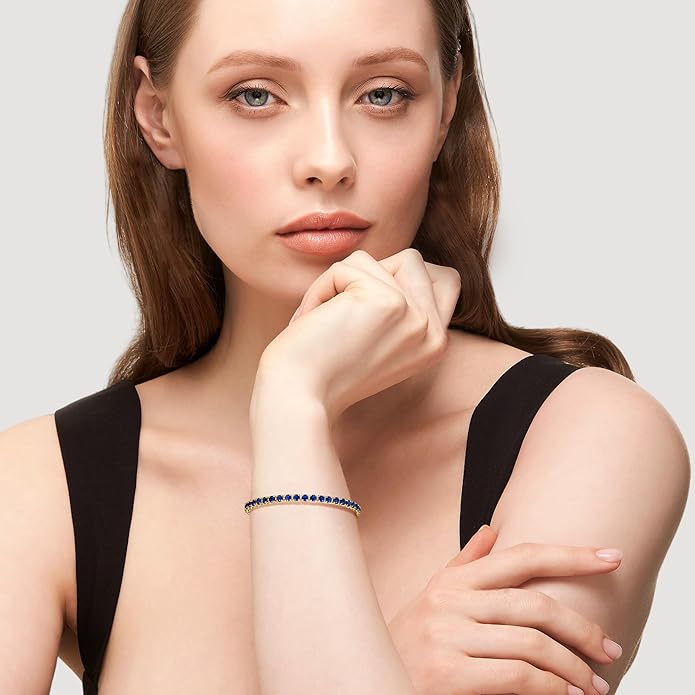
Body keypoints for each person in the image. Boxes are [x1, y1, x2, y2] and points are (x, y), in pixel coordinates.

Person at [0, 0, 689, 693]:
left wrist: (293, 407)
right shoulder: (37, 486)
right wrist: (395, 667)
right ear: (158, 116)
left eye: (383, 94)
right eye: (255, 95)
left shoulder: (587, 436)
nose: (329, 161)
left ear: (446, 106)